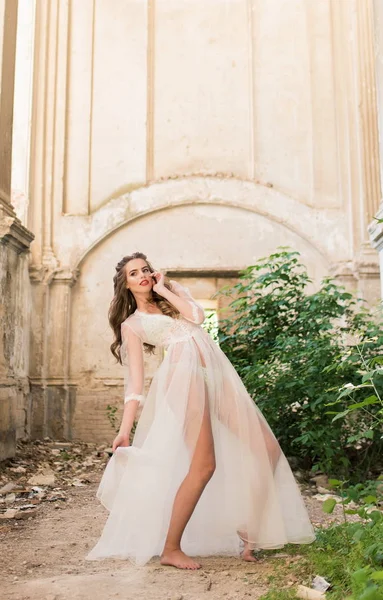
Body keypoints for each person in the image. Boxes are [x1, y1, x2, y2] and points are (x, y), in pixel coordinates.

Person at [86, 252, 315, 570]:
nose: (142, 276)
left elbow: (196, 316)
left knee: (267, 447)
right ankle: (171, 547)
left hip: (216, 377)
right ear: (125, 284)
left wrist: (166, 289)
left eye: (145, 270)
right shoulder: (132, 325)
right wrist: (125, 430)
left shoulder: (175, 295)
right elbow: (135, 386)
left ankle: (250, 530)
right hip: (184, 382)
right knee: (204, 465)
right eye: (133, 273)